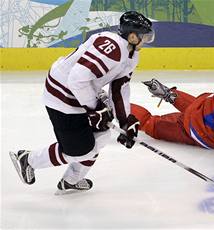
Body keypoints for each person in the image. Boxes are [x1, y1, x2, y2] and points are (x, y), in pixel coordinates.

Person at [9, 11, 154, 193]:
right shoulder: (113, 47)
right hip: (62, 94)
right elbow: (77, 78)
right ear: (132, 36)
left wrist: (125, 120)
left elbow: (119, 88)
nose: (147, 39)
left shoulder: (131, 55)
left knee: (101, 137)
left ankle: (71, 180)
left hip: (82, 93)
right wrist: (94, 108)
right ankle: (27, 159)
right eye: (145, 36)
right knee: (79, 151)